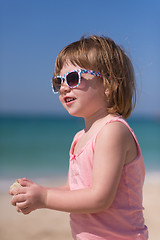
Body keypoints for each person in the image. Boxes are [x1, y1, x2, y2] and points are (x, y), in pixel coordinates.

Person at [10, 35, 148, 240]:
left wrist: (45, 198)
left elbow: (100, 198)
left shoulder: (112, 131)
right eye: (59, 81)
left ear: (109, 84)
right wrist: (36, 193)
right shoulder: (79, 138)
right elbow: (72, 189)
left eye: (73, 78)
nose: (64, 87)